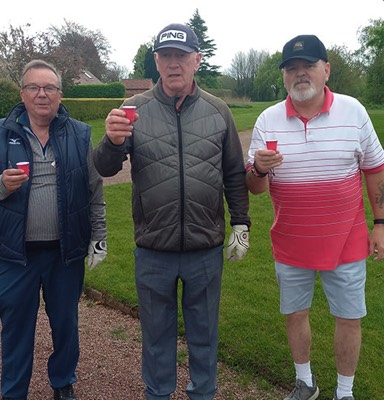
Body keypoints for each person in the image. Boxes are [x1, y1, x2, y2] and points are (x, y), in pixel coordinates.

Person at [93, 23, 250, 400]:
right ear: (157, 61)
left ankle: (203, 393)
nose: (174, 63)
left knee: (204, 334)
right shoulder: (134, 109)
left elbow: (232, 172)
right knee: (156, 336)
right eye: (166, 56)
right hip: (153, 249)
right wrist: (111, 142)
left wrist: (241, 222)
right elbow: (105, 168)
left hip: (204, 249)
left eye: (181, 56)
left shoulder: (218, 110)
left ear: (197, 60)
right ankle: (158, 393)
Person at [246, 34, 384, 400]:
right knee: (295, 313)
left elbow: (375, 169)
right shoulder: (267, 120)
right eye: (291, 68)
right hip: (291, 240)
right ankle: (305, 383)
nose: (300, 73)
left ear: (326, 70)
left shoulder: (353, 111)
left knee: (349, 317)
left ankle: (344, 392)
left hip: (347, 240)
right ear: (284, 76)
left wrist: (381, 224)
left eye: (308, 65)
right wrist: (258, 169)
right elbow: (254, 188)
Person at [0, 60, 107, 400]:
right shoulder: (0, 132)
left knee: (65, 324)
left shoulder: (79, 133)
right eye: (34, 87)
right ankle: (14, 392)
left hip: (64, 253)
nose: (42, 94)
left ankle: (63, 382)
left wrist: (99, 236)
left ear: (59, 95)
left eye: (49, 88)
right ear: (22, 94)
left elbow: (94, 189)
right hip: (16, 254)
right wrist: (1, 184)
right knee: (16, 327)